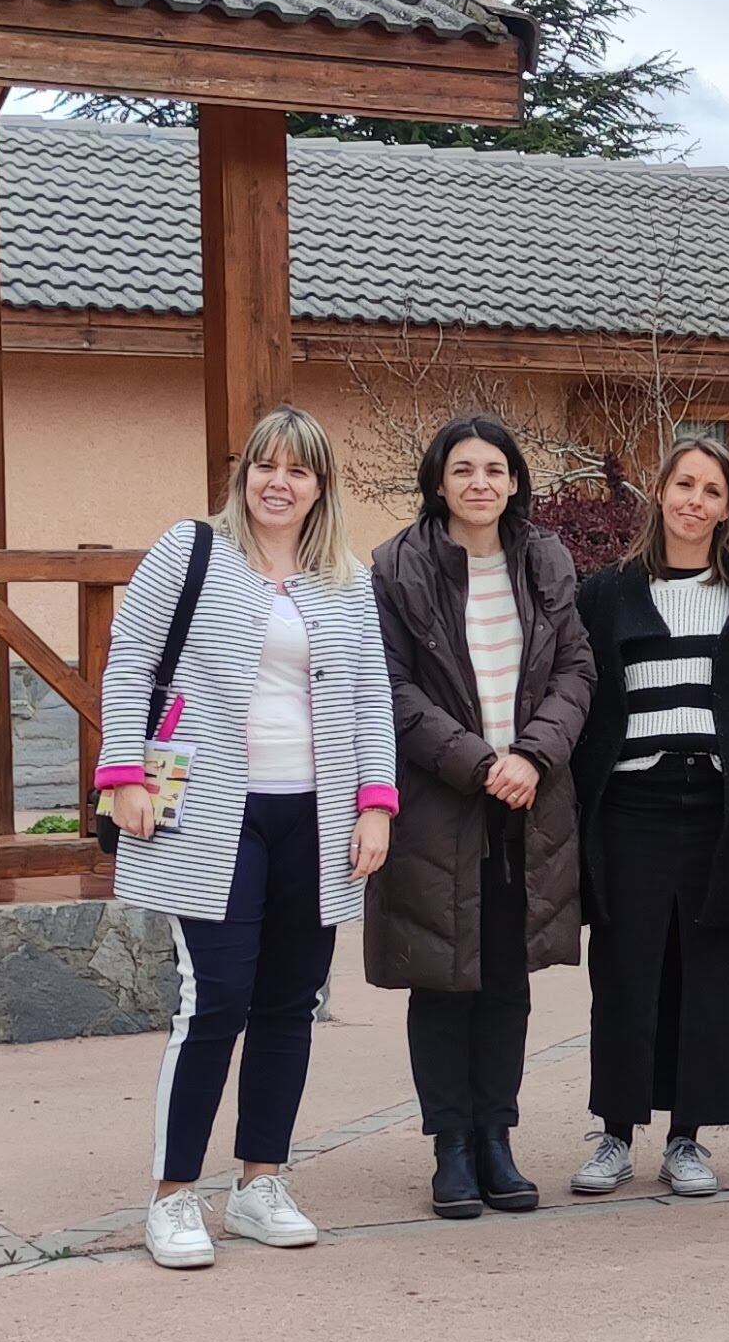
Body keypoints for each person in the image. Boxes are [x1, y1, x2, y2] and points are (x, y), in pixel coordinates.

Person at [94, 406, 397, 1271]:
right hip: (209, 807)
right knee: (215, 997)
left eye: (297, 471)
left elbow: (374, 697)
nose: (279, 482)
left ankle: (261, 1180)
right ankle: (174, 1195)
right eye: (266, 465)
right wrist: (122, 776)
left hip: (315, 811)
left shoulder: (345, 578)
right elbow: (128, 661)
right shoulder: (190, 551)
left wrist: (374, 803)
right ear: (244, 475)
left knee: (291, 1002)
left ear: (319, 486)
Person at [369, 417, 596, 1220]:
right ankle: (451, 1147)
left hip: (528, 801)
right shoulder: (395, 569)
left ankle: (498, 1136)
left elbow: (577, 669)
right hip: (441, 802)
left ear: (513, 482)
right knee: (441, 978)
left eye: (494, 469)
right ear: (437, 482)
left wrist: (532, 756)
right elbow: (390, 688)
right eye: (462, 469)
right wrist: (476, 761)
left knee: (503, 978)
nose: (479, 483)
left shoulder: (546, 562)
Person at [571, 437, 729, 1198]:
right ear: (658, 491)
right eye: (683, 484)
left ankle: (688, 1138)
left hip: (720, 811)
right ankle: (613, 1132)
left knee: (713, 979)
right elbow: (584, 702)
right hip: (630, 808)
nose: (694, 501)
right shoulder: (604, 594)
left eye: (711, 490)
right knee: (627, 972)